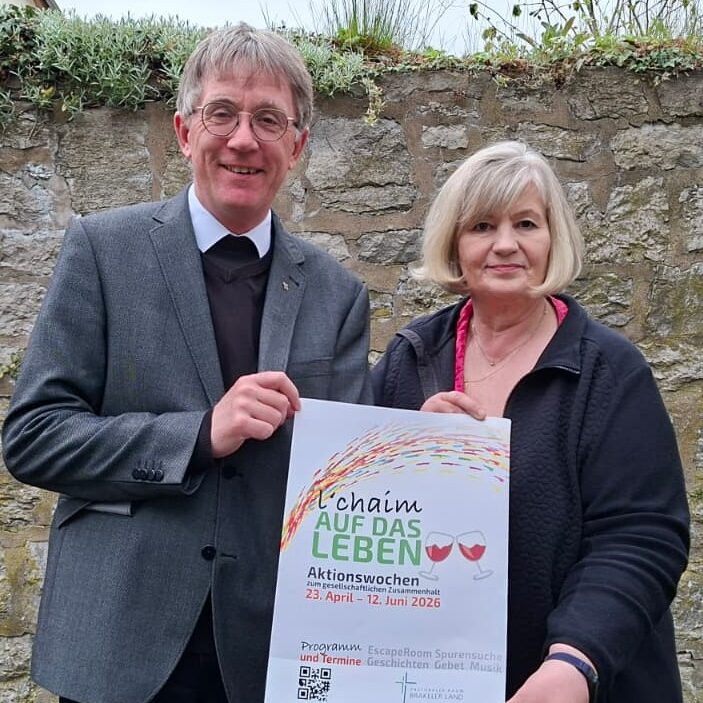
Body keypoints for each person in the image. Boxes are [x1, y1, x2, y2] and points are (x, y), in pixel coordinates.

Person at [2, 23, 372, 703]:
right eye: (221, 113)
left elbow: (343, 480)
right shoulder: (102, 251)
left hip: (265, 652)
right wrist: (199, 435)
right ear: (183, 131)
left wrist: (422, 441)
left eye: (268, 119)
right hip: (120, 647)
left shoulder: (338, 293)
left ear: (297, 145)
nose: (243, 139)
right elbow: (34, 437)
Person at [372, 141, 689, 703]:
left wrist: (575, 660)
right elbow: (357, 510)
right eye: (482, 226)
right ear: (454, 244)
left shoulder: (609, 371)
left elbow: (641, 536)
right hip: (432, 679)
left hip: (577, 681)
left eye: (525, 224)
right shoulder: (410, 357)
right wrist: (408, 451)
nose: (505, 244)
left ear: (552, 238)